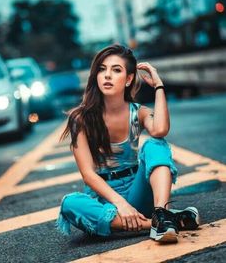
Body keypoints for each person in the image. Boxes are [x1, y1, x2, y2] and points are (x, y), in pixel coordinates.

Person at [57, 44, 199, 243]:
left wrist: (158, 86)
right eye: (102, 69)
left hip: (137, 190)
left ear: (129, 79)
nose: (107, 75)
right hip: (105, 200)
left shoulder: (138, 112)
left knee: (154, 144)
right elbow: (88, 174)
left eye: (116, 70)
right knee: (69, 204)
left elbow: (159, 130)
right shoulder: (80, 118)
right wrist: (120, 204)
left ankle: (162, 213)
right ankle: (157, 223)